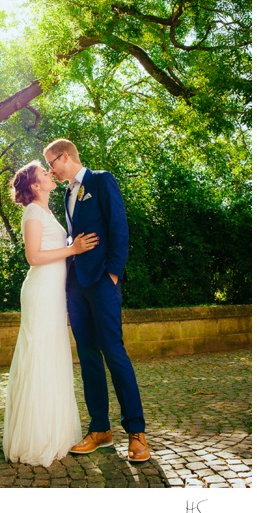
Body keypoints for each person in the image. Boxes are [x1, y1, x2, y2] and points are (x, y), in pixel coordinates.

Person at [43, 139, 150, 462]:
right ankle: (100, 429)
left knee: (114, 352)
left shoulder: (102, 180)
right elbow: (75, 234)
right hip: (76, 285)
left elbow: (119, 226)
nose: (51, 170)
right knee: (88, 356)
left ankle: (137, 433)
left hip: (102, 282)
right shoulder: (66, 193)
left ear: (65, 157)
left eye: (52, 164)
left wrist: (113, 275)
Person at [3, 160, 100, 467]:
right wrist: (73, 249)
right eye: (44, 173)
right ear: (35, 185)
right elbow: (34, 256)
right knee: (40, 355)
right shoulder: (32, 212)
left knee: (52, 354)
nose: (49, 174)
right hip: (40, 291)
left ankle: (52, 431)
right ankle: (35, 437)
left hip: (53, 293)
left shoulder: (46, 212)